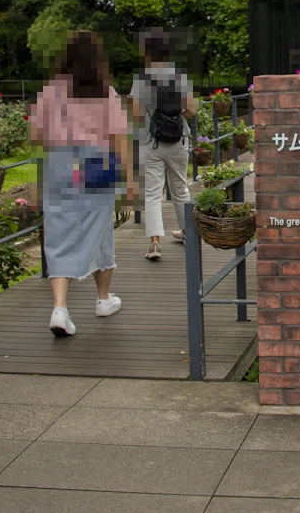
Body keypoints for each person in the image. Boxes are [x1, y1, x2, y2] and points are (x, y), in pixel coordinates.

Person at [29, 31, 133, 337]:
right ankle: (103, 299)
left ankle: (60, 307)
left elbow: (36, 135)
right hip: (95, 166)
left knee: (59, 234)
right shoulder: (106, 92)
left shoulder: (50, 93)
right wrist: (127, 177)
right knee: (100, 230)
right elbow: (119, 139)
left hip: (60, 166)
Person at [130, 29, 197, 256]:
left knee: (152, 193)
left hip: (152, 142)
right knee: (180, 188)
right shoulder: (180, 76)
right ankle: (188, 232)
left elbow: (137, 115)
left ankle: (155, 243)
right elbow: (192, 109)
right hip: (178, 140)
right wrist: (175, 118)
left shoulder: (142, 78)